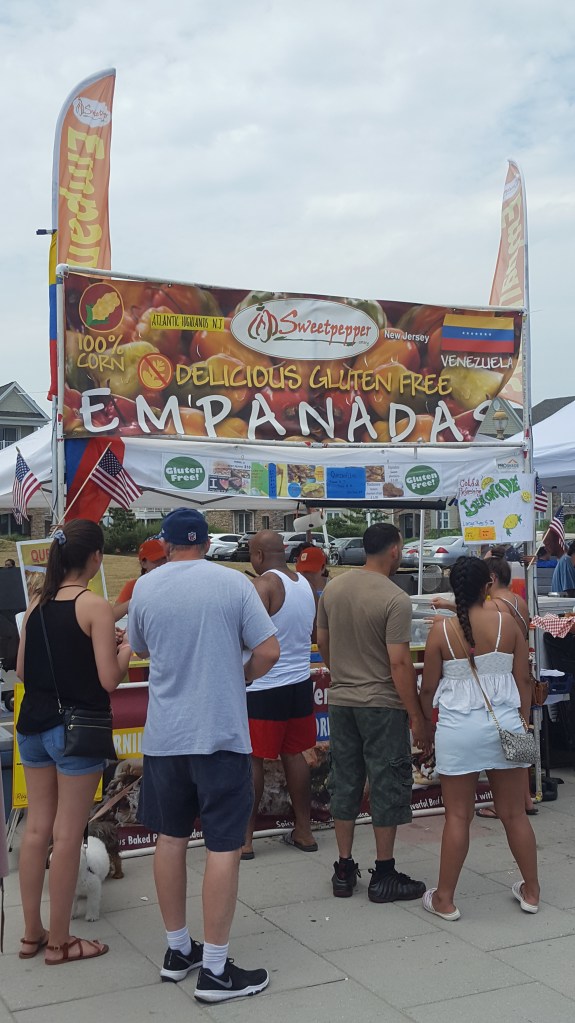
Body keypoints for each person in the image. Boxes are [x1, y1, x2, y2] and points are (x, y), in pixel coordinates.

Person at [128, 508, 279, 1002]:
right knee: (223, 846)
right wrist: (242, 675)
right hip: (219, 732)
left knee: (170, 839)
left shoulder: (146, 587)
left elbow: (139, 647)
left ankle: (178, 950)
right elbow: (269, 651)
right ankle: (214, 969)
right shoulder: (233, 584)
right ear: (207, 544)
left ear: (166, 544)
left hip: (166, 735)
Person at [16, 520, 131, 965]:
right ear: (96, 558)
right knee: (68, 834)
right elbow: (109, 679)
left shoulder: (37, 603)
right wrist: (125, 649)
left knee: (36, 830)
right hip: (76, 730)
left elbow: (23, 671)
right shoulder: (94, 606)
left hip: (33, 725)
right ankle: (61, 941)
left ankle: (32, 933)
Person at [419, 556, 539, 919]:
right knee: (515, 814)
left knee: (457, 816)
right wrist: (523, 720)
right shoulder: (508, 623)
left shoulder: (441, 630)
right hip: (508, 726)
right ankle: (532, 892)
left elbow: (428, 689)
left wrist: (424, 726)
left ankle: (445, 899)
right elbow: (524, 680)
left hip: (458, 730)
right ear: (488, 586)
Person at [317, 523, 430, 903]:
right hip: (381, 703)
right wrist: (416, 716)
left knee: (345, 780)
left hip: (342, 699)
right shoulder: (394, 598)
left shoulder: (334, 588)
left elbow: (323, 640)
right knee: (387, 782)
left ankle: (344, 867)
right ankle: (384, 872)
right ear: (394, 550)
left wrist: (342, 673)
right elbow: (399, 663)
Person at [242, 530, 317, 859]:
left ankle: (245, 839)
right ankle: (304, 830)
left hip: (264, 686)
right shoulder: (305, 585)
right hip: (299, 684)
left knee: (252, 759)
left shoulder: (263, 586)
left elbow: (246, 638)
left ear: (258, 555)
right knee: (294, 754)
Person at [113, 539, 167, 621]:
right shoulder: (134, 585)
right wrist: (136, 600)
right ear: (143, 563)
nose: (162, 564)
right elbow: (112, 616)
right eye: (156, 560)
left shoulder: (173, 583)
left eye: (165, 559)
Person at [295, 544, 329, 643]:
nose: (305, 575)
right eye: (302, 571)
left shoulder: (332, 588)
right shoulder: (293, 586)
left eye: (311, 571)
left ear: (323, 568)